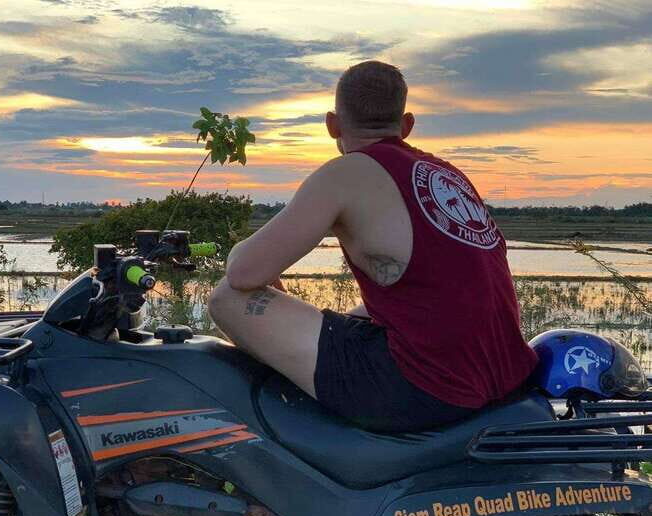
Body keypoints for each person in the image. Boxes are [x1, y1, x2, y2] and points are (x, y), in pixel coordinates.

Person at [208, 60, 538, 433]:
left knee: (226, 298)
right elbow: (435, 290)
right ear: (407, 124)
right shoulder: (446, 174)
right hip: (506, 374)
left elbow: (244, 273)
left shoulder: (345, 173)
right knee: (353, 315)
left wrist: (238, 251)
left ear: (332, 124)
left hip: (427, 388)